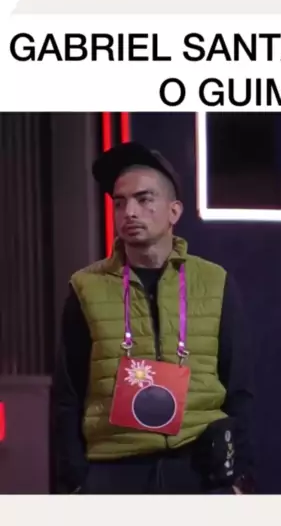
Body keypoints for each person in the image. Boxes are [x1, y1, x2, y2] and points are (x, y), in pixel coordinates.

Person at [50, 141, 255, 494]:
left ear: (174, 211)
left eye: (144, 199)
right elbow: (67, 396)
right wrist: (74, 483)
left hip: (198, 468)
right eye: (119, 202)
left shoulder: (214, 282)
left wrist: (242, 478)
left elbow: (239, 388)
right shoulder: (86, 286)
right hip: (114, 471)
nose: (129, 212)